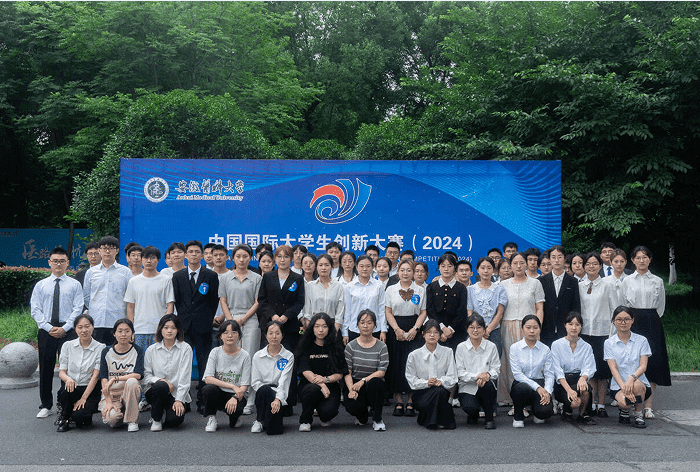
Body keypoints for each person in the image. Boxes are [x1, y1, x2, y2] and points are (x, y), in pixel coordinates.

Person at [31, 247, 83, 419]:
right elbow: (35, 310)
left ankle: (65, 403)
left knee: (67, 368)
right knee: (45, 368)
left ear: (67, 263)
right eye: (55, 261)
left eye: (62, 261)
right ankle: (46, 404)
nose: (58, 264)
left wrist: (65, 328)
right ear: (49, 263)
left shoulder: (75, 285)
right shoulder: (41, 285)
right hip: (46, 330)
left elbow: (78, 308)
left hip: (68, 330)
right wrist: (48, 328)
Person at [622, 246, 671, 418]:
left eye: (645, 257)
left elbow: (661, 307)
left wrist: (651, 318)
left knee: (652, 362)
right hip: (633, 322)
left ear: (650, 259)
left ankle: (648, 407)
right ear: (632, 260)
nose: (641, 260)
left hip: (652, 322)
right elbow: (623, 304)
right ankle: (632, 403)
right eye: (638, 257)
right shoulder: (627, 281)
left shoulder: (658, 281)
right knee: (632, 360)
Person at [172, 240, 220, 414]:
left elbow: (213, 301)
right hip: (184, 327)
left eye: (197, 252)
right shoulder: (177, 276)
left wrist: (206, 318)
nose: (193, 254)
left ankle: (202, 400)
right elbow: (177, 301)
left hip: (203, 327)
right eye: (190, 251)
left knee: (203, 364)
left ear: (202, 255)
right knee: (182, 365)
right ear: (186, 255)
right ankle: (183, 399)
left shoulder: (211, 276)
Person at [257, 245, 305, 408]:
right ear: (275, 259)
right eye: (279, 257)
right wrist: (273, 316)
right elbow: (262, 300)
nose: (282, 260)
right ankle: (268, 398)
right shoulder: (268, 276)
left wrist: (286, 316)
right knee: (268, 362)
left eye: (286, 257)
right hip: (270, 326)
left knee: (288, 362)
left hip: (289, 326)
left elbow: (300, 301)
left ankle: (288, 401)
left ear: (291, 259)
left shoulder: (298, 278)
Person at [218, 244, 262, 415]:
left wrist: (243, 319)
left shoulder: (256, 278)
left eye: (245, 256)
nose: (242, 259)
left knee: (249, 359)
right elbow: (223, 301)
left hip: (250, 320)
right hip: (230, 319)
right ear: (233, 258)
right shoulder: (225, 278)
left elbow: (257, 302)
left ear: (250, 258)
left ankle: (249, 399)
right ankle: (233, 395)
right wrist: (231, 321)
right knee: (232, 359)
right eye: (238, 256)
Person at [498, 252, 545, 408]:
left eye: (522, 263)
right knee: (510, 363)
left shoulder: (535, 283)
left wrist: (537, 328)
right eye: (515, 263)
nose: (518, 266)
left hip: (529, 328)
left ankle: (529, 400)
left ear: (527, 264)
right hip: (508, 326)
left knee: (529, 363)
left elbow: (539, 308)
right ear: (510, 265)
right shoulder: (502, 285)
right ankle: (513, 400)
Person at [385, 259, 427, 417]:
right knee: (397, 364)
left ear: (413, 273)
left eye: (409, 270)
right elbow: (388, 311)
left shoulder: (420, 290)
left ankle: (410, 400)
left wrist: (415, 329)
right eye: (402, 270)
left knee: (413, 364)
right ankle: (398, 401)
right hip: (396, 328)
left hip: (414, 328)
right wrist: (396, 329)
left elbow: (423, 311)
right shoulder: (390, 289)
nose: (405, 273)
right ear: (398, 272)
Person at [296, 313, 349, 431]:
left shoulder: (336, 346)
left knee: (328, 412)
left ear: (329, 328)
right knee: (312, 389)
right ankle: (305, 420)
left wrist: (326, 380)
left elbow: (340, 373)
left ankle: (322, 414)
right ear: (312, 328)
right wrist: (322, 385)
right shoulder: (306, 345)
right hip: (309, 385)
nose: (321, 330)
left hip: (331, 386)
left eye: (324, 326)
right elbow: (305, 371)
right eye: (317, 326)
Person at [578, 252, 616, 417]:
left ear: (600, 266)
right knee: (589, 370)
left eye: (595, 263)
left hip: (603, 334)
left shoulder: (607, 285)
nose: (591, 266)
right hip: (585, 333)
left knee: (602, 372)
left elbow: (615, 309)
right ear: (584, 266)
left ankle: (601, 404)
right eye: (588, 264)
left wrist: (612, 333)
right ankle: (591, 403)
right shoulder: (580, 285)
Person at [124, 246, 175, 365]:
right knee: (140, 362)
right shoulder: (134, 281)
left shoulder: (166, 280)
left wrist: (164, 327)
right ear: (142, 259)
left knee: (160, 362)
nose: (149, 261)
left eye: (152, 258)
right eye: (146, 258)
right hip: (139, 329)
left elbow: (170, 305)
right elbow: (130, 306)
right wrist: (131, 329)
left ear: (158, 260)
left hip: (159, 330)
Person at [605, 306, 653, 428]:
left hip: (639, 384)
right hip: (618, 385)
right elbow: (613, 369)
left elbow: (643, 366)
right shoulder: (609, 343)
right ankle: (624, 410)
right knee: (625, 403)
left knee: (636, 385)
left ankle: (638, 413)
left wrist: (631, 378)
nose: (623, 322)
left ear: (632, 320)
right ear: (614, 321)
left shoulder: (642, 340)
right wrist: (624, 387)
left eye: (626, 319)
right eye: (619, 319)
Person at [55, 314, 104, 432]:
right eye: (80, 327)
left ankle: (77, 414)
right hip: (72, 387)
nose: (84, 330)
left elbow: (95, 376)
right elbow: (62, 372)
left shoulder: (100, 347)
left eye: (87, 326)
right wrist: (68, 379)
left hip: (89, 389)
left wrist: (83, 398)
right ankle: (64, 417)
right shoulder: (67, 346)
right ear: (75, 329)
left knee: (80, 418)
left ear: (92, 327)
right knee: (66, 390)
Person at [405, 319, 458, 429]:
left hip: (442, 390)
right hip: (422, 393)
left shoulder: (448, 352)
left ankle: (429, 421)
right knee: (438, 392)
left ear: (440, 335)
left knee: (439, 391)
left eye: (436, 332)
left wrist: (440, 381)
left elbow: (453, 376)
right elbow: (411, 380)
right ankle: (444, 420)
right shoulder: (414, 355)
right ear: (423, 334)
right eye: (429, 332)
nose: (432, 335)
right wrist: (426, 383)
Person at [143, 314, 193, 431]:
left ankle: (166, 409)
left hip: (175, 393)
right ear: (160, 329)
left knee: (174, 421)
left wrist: (179, 400)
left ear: (178, 330)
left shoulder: (185, 348)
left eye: (173, 328)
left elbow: (185, 377)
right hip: (156, 391)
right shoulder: (151, 350)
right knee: (161, 385)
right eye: (166, 327)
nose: (169, 331)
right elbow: (145, 376)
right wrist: (161, 381)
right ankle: (156, 418)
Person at [343, 310, 389, 431]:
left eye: (369, 323)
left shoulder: (382, 346)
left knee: (377, 383)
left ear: (375, 325)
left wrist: (363, 381)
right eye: (362, 322)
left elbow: (381, 372)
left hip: (371, 383)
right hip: (354, 383)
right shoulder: (350, 346)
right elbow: (347, 372)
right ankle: (362, 415)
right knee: (352, 407)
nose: (365, 326)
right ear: (357, 325)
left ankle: (377, 419)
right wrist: (351, 390)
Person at [201, 320, 251, 432]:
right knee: (208, 389)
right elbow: (208, 378)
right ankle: (212, 418)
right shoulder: (215, 352)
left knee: (235, 424)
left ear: (239, 335)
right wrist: (232, 386)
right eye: (226, 332)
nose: (230, 335)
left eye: (234, 332)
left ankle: (236, 416)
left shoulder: (245, 355)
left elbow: (245, 385)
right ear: (221, 336)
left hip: (236, 394)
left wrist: (235, 397)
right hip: (219, 392)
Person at [83, 235, 132, 346]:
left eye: (111, 248)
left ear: (117, 251)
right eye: (104, 248)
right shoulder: (91, 272)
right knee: (96, 353)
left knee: (116, 352)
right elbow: (86, 296)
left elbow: (129, 297)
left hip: (118, 322)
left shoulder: (125, 272)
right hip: (96, 321)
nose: (107, 251)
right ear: (99, 250)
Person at [550, 312, 596, 425]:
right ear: (565, 325)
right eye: (570, 324)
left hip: (578, 379)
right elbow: (557, 370)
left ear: (581, 326)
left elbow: (589, 366)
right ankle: (567, 409)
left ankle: (583, 414)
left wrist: (583, 378)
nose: (574, 328)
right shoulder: (556, 345)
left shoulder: (587, 347)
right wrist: (569, 390)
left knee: (585, 388)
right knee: (575, 402)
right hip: (563, 382)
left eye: (577, 324)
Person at [455, 314, 500, 429]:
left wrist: (487, 375)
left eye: (479, 327)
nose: (475, 330)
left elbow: (496, 369)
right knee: (470, 407)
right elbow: (460, 372)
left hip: (486, 384)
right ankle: (473, 414)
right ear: (467, 329)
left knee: (488, 386)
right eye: (472, 327)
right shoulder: (461, 347)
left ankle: (489, 419)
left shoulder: (491, 346)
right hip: (468, 386)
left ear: (484, 330)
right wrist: (478, 376)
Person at [509, 315, 555, 427]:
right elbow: (517, 374)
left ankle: (536, 411)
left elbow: (549, 374)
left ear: (540, 329)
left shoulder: (545, 349)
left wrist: (548, 392)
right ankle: (518, 416)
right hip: (521, 384)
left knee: (545, 412)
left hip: (540, 383)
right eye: (528, 327)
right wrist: (537, 388)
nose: (532, 331)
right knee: (522, 388)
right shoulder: (515, 348)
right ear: (522, 329)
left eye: (535, 328)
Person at [100, 318, 144, 432]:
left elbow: (138, 375)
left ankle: (132, 420)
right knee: (113, 420)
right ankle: (122, 412)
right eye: (120, 331)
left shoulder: (138, 351)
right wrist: (108, 401)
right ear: (114, 333)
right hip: (112, 394)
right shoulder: (106, 352)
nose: (123, 334)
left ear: (132, 334)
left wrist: (117, 378)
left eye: (127, 331)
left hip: (129, 392)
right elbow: (104, 378)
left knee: (132, 381)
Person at [251, 321, 295, 435]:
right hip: (263, 393)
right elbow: (255, 382)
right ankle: (259, 420)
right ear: (266, 335)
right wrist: (269, 393)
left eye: (277, 333)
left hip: (279, 394)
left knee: (275, 430)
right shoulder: (257, 356)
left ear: (282, 335)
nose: (274, 336)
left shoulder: (288, 356)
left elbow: (284, 381)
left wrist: (277, 398)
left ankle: (268, 419)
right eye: (270, 333)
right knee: (264, 390)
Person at [538, 246, 581, 347]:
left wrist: (574, 327)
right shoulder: (541, 281)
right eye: (553, 257)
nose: (556, 260)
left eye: (560, 257)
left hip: (565, 330)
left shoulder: (573, 281)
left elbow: (576, 307)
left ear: (565, 259)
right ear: (550, 259)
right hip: (546, 330)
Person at [426, 254, 468, 351]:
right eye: (443, 266)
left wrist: (450, 329)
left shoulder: (461, 288)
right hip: (436, 331)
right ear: (439, 268)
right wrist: (442, 329)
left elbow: (461, 311)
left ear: (454, 268)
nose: (446, 269)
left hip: (457, 332)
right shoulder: (431, 287)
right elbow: (430, 310)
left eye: (449, 266)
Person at [467, 257, 507, 357]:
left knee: (494, 359)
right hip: (475, 331)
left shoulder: (499, 289)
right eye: (483, 268)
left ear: (493, 270)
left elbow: (500, 313)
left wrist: (487, 330)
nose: (485, 271)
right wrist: (477, 329)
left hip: (493, 331)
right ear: (477, 270)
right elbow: (469, 312)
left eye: (489, 268)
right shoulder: (470, 289)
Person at [343, 255, 386, 344]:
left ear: (373, 268)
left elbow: (382, 309)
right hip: (354, 329)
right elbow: (347, 310)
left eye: (368, 266)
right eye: (361, 266)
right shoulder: (349, 286)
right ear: (357, 267)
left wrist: (383, 330)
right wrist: (345, 332)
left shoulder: (379, 285)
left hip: (375, 329)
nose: (365, 269)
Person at [303, 254, 344, 333]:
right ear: (316, 267)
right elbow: (307, 307)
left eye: (327, 265)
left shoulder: (338, 286)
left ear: (331, 267)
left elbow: (340, 308)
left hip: (332, 324)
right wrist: (309, 324)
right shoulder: (310, 286)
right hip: (314, 324)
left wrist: (336, 326)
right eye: (320, 265)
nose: (323, 268)